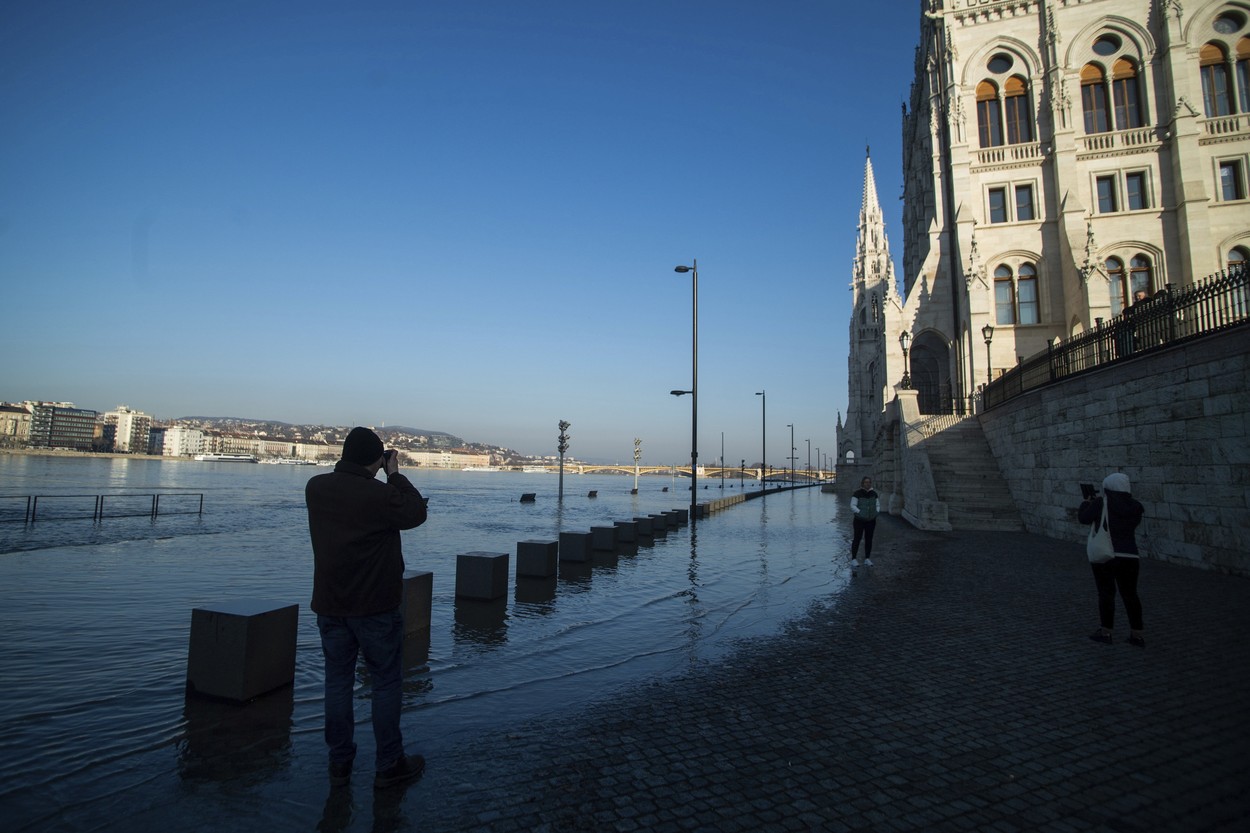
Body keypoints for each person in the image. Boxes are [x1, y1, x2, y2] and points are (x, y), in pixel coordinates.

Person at [306, 426, 429, 788]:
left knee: (337, 682)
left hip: (330, 605)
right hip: (375, 606)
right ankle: (389, 763)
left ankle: (340, 761)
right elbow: (416, 513)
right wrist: (395, 473)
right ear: (376, 459)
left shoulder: (315, 488)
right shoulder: (379, 495)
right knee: (387, 683)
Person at [1077, 472, 1146, 647]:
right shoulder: (1136, 507)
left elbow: (1083, 518)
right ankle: (1137, 635)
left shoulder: (1102, 503)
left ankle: (1106, 632)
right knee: (1130, 594)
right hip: (1130, 555)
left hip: (1106, 554)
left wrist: (1086, 503)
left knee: (1106, 593)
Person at [849, 476, 880, 568]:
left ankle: (867, 558)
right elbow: (852, 506)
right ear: (862, 483)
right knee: (857, 539)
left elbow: (877, 504)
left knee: (869, 539)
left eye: (869, 482)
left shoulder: (874, 493)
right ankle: (854, 559)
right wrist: (860, 513)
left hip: (871, 520)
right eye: (866, 482)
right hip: (859, 520)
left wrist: (876, 512)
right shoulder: (857, 493)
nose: (868, 484)